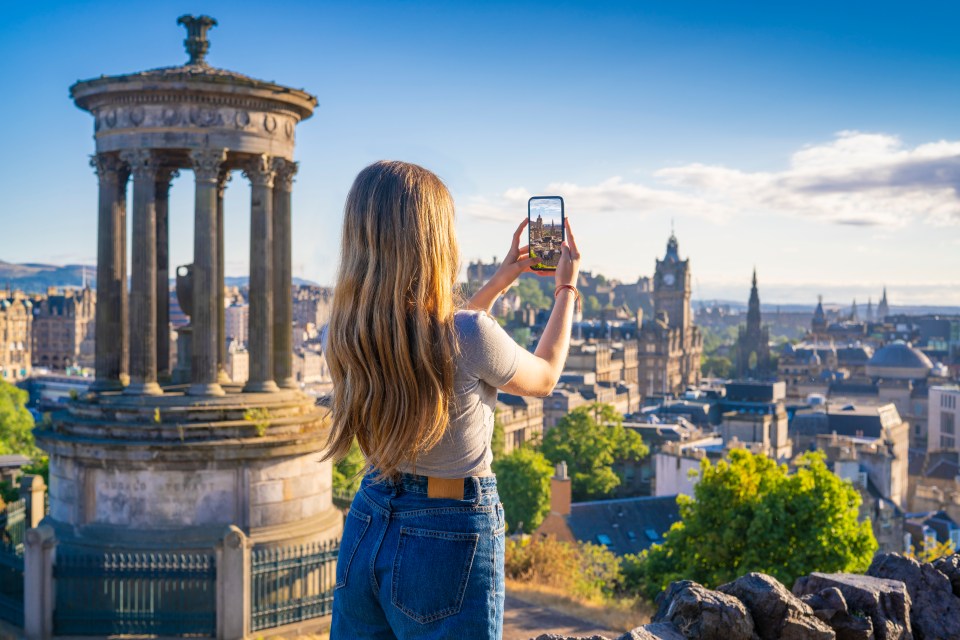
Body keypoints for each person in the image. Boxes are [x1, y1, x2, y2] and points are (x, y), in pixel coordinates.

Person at [325, 161, 581, 639]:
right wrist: (566, 288)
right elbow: (544, 376)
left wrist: (500, 281)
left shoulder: (345, 332)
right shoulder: (470, 334)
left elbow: (433, 342)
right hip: (448, 533)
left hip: (368, 517)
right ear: (435, 239)